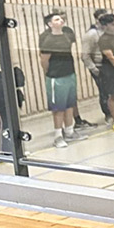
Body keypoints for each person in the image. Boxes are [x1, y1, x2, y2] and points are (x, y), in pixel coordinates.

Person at [39, 11, 81, 147]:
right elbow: (44, 60)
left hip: (69, 73)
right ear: (50, 24)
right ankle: (58, 136)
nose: (60, 21)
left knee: (69, 105)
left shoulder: (67, 35)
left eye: (61, 19)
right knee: (58, 108)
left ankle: (69, 131)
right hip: (56, 77)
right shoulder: (48, 40)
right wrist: (49, 73)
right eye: (56, 19)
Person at [0, 54, 23, 158]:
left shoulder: (10, 66)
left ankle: (16, 149)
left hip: (13, 100)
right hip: (1, 103)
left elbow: (20, 81)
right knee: (4, 126)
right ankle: (3, 151)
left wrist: (15, 67)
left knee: (15, 124)